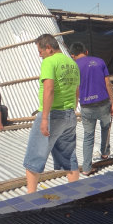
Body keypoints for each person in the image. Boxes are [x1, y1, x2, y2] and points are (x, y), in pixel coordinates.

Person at [23, 34, 80, 193]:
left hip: (52, 115)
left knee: (33, 159)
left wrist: (44, 119)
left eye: (40, 51)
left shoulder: (49, 61)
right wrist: (72, 111)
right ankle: (75, 194)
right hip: (69, 115)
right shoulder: (72, 63)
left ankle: (30, 198)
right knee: (69, 158)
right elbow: (77, 92)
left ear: (48, 48)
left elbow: (49, 89)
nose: (39, 55)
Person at [70, 42, 113, 175]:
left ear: (73, 55)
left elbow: (76, 88)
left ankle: (87, 168)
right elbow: (108, 84)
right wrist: (112, 103)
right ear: (87, 51)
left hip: (87, 107)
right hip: (103, 103)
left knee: (88, 137)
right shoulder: (99, 61)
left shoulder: (74, 66)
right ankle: (105, 152)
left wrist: (75, 104)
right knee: (106, 128)